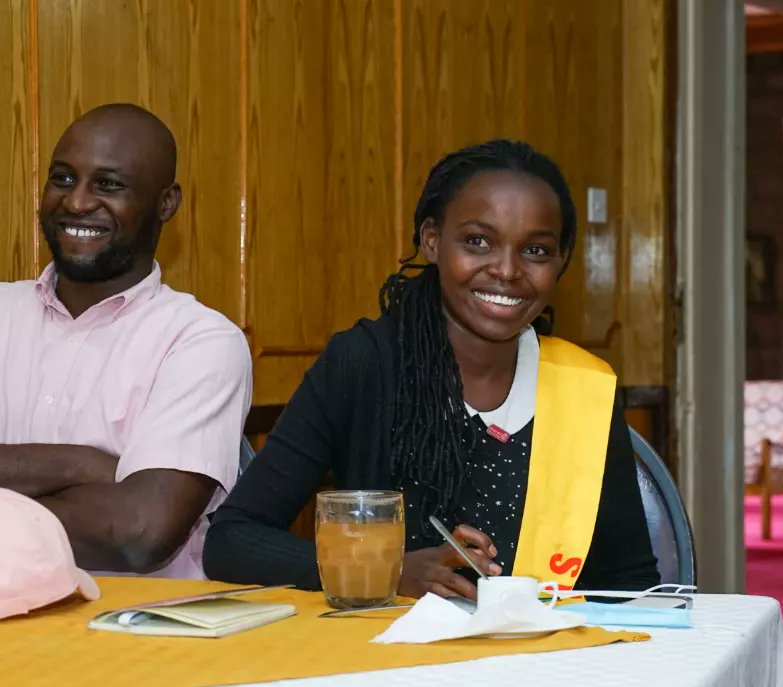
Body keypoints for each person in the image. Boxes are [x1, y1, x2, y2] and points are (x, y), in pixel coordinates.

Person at [204, 140, 658, 599]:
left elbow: (630, 582)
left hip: (541, 661)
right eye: (478, 241)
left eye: (536, 251)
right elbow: (232, 540)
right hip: (388, 658)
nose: (506, 270)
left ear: (561, 263)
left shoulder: (584, 389)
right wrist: (382, 571)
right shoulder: (363, 363)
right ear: (432, 240)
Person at [0, 104, 251, 579]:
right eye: (62, 179)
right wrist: (74, 465)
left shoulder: (199, 341)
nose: (77, 203)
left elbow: (139, 533)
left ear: (167, 203)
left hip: (133, 636)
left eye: (108, 185)